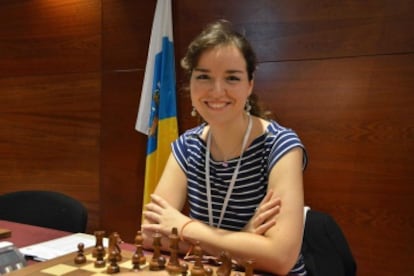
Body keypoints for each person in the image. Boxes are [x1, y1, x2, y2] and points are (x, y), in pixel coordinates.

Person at [141, 19, 307, 275]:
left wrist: (185, 228)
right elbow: (151, 233)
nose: (217, 91)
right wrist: (242, 240)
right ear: (191, 84)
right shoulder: (186, 146)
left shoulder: (281, 145)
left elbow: (280, 258)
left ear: (250, 84)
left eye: (232, 78)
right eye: (204, 76)